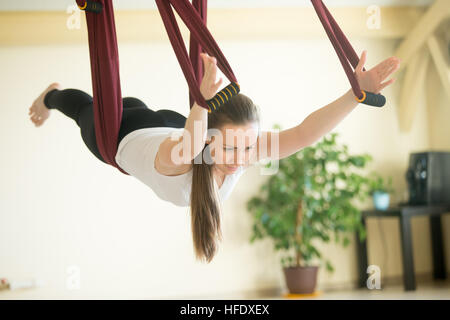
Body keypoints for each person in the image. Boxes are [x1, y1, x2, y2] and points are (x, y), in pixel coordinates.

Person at [28, 51, 400, 262]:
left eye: (248, 146)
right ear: (209, 140)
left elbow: (303, 134)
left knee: (133, 106)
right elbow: (190, 149)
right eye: (232, 147)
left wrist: (356, 94)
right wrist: (200, 104)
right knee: (82, 106)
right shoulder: (185, 154)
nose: (242, 158)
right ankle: (51, 95)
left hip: (170, 124)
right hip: (120, 135)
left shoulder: (233, 146)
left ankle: (86, 101)